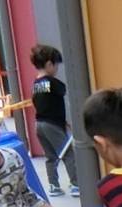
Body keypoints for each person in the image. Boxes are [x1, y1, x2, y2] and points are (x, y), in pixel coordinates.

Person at [30, 43, 76, 196]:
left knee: (51, 156)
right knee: (68, 153)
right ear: (49, 64)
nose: (57, 69)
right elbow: (62, 92)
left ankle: (53, 185)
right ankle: (76, 183)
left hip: (39, 124)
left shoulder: (36, 84)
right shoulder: (53, 83)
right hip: (53, 125)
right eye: (56, 65)